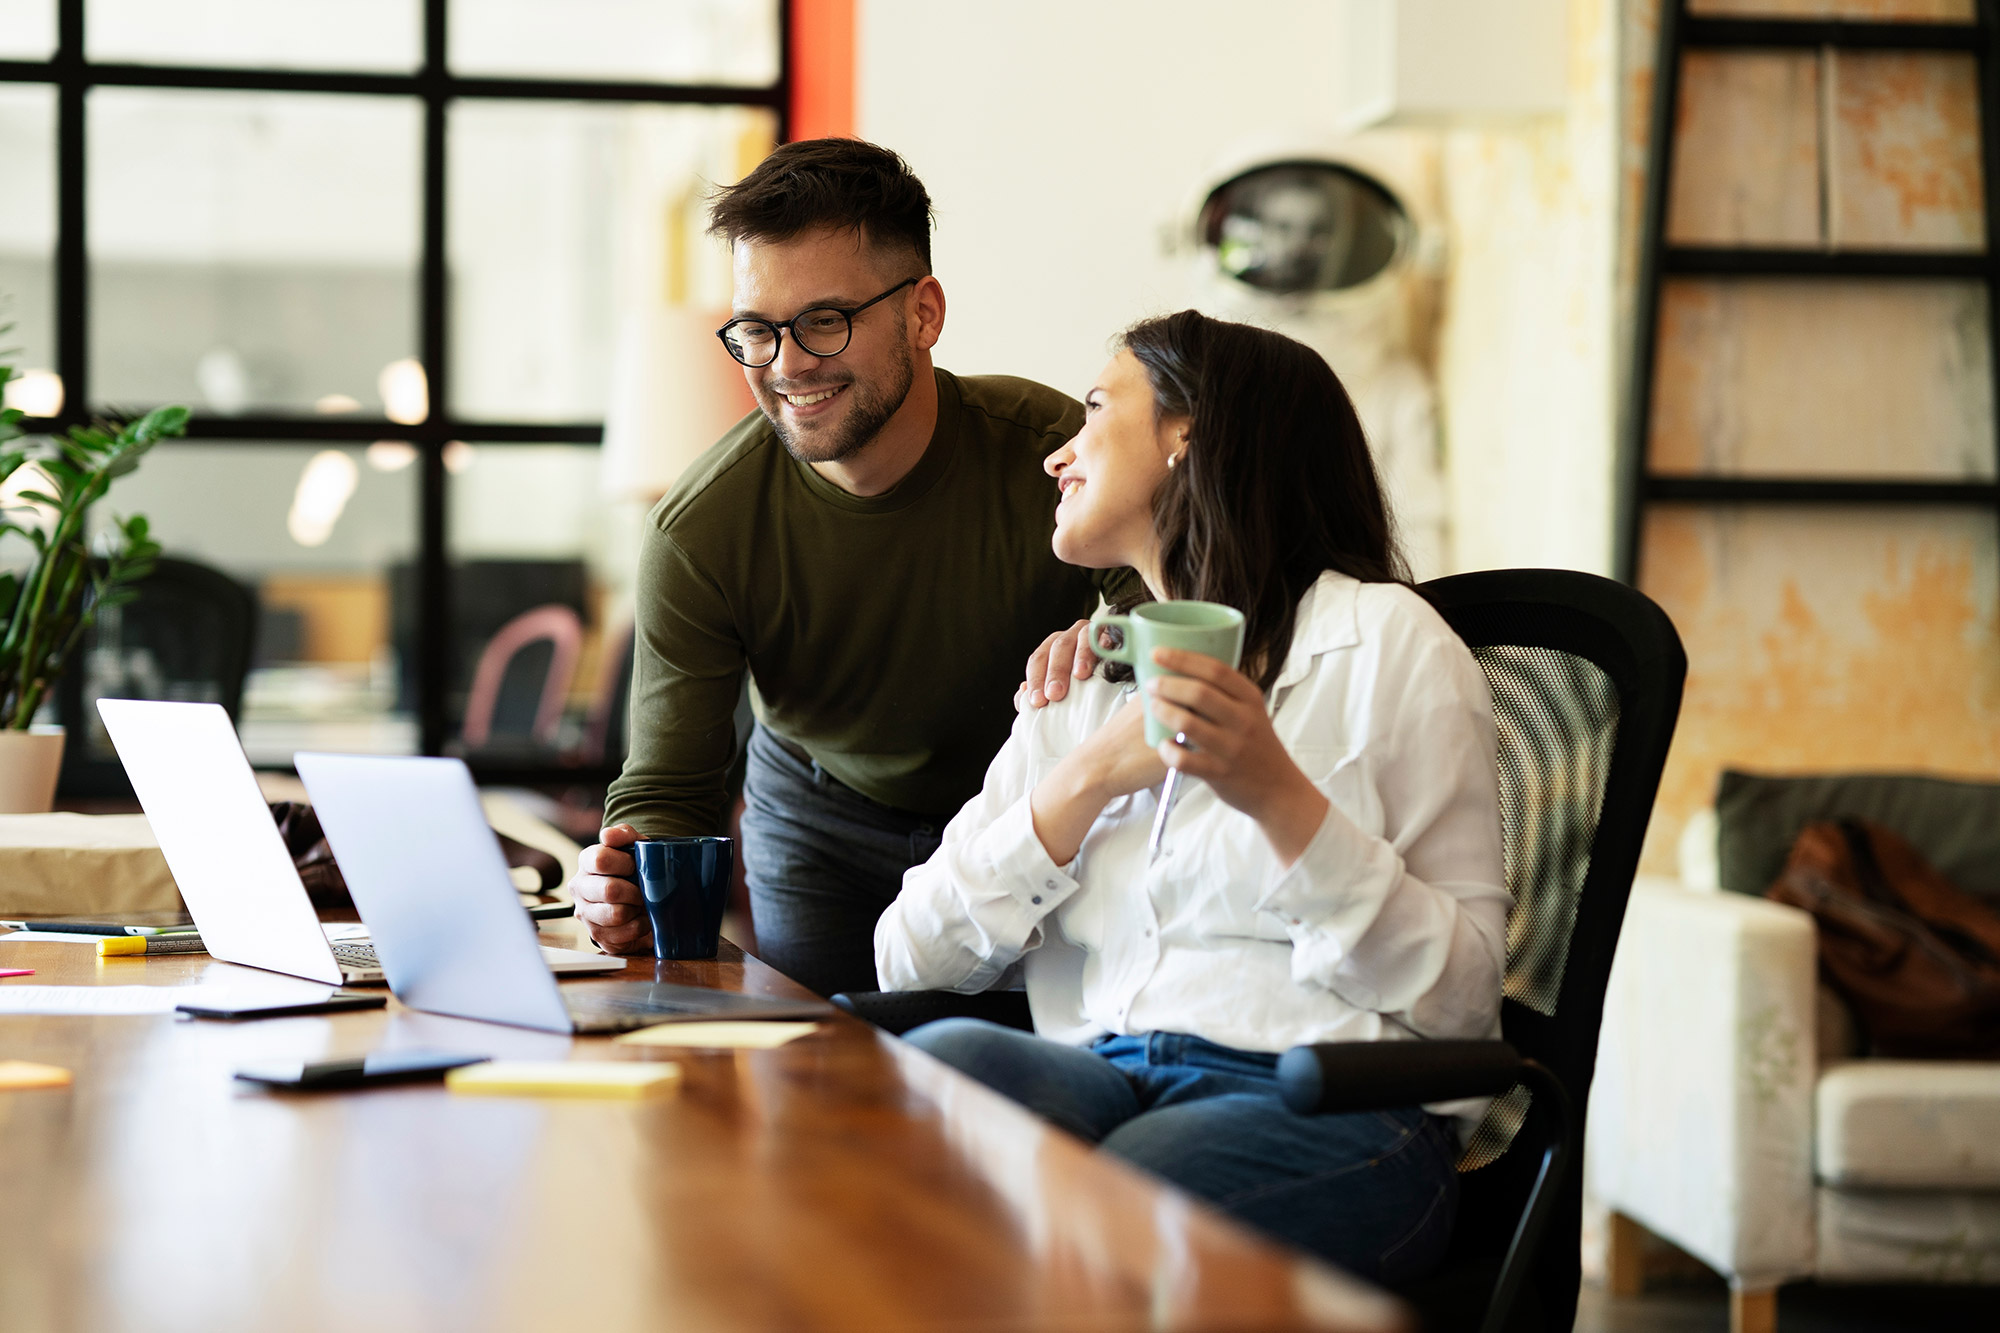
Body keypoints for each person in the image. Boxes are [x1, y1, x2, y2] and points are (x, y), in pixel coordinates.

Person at [875, 310, 1508, 1281]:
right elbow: (903, 952)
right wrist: (1084, 779)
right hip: (1107, 1071)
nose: (1057, 455)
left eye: (1092, 408)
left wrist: (1273, 793)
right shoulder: (1084, 683)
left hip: (1327, 1102)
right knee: (938, 1076)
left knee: (1109, 1197)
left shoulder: (1385, 645)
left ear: (1188, 432)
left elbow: (1463, 1002)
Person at [570, 139, 1132, 998]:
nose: (788, 364)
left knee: (1014, 1078)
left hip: (1021, 811)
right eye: (756, 330)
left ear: (924, 314)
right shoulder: (701, 529)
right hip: (819, 825)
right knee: (825, 1073)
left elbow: (1185, 613)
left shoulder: (1048, 451)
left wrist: (1109, 634)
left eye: (824, 321)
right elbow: (670, 790)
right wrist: (619, 881)